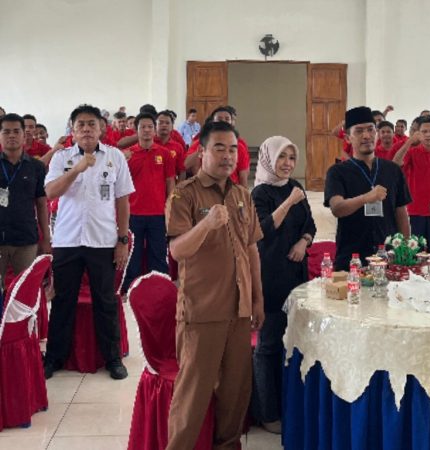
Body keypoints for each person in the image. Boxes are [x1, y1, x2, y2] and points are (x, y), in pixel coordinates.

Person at [165, 121, 264, 448]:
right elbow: (177, 250)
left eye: (233, 149)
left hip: (239, 311)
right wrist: (206, 224)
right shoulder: (184, 194)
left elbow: (251, 249)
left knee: (235, 395)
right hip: (202, 311)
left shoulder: (241, 195)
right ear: (202, 152)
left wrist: (257, 300)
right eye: (219, 148)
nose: (227, 155)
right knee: (193, 397)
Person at [43, 104, 135, 380]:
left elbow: (123, 200)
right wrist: (77, 169)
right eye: (80, 124)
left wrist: (121, 239)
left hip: (103, 240)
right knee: (62, 301)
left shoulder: (116, 157)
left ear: (101, 129)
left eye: (91, 124)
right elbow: (49, 193)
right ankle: (55, 357)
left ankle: (112, 357)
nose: (86, 129)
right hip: (67, 240)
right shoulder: (62, 158)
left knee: (105, 301)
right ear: (72, 130)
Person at [250, 136, 315, 434]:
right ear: (268, 160)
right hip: (270, 275)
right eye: (282, 157)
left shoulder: (297, 188)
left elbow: (310, 226)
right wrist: (289, 202)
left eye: (292, 157)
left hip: (296, 275)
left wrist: (304, 241)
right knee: (268, 346)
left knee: (292, 344)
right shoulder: (260, 193)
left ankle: (288, 403)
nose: (288, 163)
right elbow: (263, 231)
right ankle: (267, 412)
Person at [324, 106, 411, 270]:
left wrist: (405, 249)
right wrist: (367, 198)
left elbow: (401, 212)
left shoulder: (392, 170)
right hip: (351, 257)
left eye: (371, 130)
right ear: (348, 138)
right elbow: (337, 208)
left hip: (389, 256)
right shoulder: (337, 172)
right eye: (359, 131)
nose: (366, 135)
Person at [120, 113, 176, 293]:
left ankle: (160, 288)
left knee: (158, 253)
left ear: (154, 130)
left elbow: (170, 182)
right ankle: (129, 289)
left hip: (158, 214)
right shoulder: (128, 156)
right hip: (133, 213)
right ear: (136, 130)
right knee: (133, 256)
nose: (146, 130)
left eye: (150, 127)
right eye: (142, 127)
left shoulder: (165, 154)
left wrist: (169, 207)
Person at [0, 113, 51, 299]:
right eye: (6, 132)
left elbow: (41, 204)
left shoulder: (36, 167)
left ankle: (23, 328)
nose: (11, 135)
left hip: (26, 239)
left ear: (24, 135)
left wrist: (46, 237)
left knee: (25, 292)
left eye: (16, 131)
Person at [393, 115, 430, 250]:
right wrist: (409, 142)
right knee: (415, 252)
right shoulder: (412, 152)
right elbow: (395, 164)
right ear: (418, 133)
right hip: (415, 211)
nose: (428, 135)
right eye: (424, 132)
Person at [184, 106, 250, 185]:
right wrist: (201, 150)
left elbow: (243, 175)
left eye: (227, 119)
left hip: (231, 189)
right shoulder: (201, 142)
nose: (223, 121)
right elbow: (185, 165)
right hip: (204, 188)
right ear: (212, 121)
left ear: (232, 122)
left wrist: (243, 195)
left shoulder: (239, 145)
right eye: (219, 119)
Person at [156, 110, 187, 180]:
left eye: (167, 123)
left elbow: (182, 170)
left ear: (172, 126)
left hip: (172, 185)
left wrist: (178, 189)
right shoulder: (149, 144)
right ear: (155, 125)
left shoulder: (178, 147)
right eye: (160, 122)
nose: (164, 125)